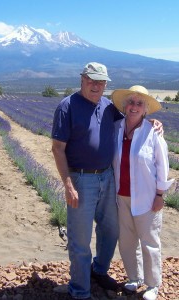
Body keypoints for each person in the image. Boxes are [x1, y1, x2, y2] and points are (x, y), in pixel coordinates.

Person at [52, 62, 162, 300]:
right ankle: (80, 290)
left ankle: (99, 270)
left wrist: (152, 123)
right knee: (80, 239)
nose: (95, 86)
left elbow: (132, 119)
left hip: (108, 177)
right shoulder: (67, 106)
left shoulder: (108, 106)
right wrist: (68, 184)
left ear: (105, 85)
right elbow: (58, 149)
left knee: (110, 230)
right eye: (91, 80)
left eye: (100, 82)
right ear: (82, 79)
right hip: (81, 179)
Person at [111, 85, 174, 300]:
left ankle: (153, 284)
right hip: (122, 197)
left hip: (147, 199)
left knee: (149, 242)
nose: (134, 107)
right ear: (124, 106)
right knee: (127, 240)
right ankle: (134, 277)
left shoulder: (153, 133)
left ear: (146, 109)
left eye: (139, 103)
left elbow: (162, 167)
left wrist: (159, 195)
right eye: (131, 102)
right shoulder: (116, 128)